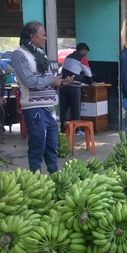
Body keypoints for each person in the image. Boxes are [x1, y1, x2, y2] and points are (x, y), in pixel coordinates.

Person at [11, 21, 74, 174]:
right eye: (43, 35)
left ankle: (54, 176)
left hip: (49, 107)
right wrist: (52, 80)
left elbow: (46, 79)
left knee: (52, 145)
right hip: (34, 109)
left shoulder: (40, 54)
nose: (45, 38)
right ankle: (35, 178)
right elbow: (29, 81)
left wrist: (61, 82)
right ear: (32, 36)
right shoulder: (19, 54)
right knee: (37, 146)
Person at [59, 42, 93, 134]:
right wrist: (91, 83)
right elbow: (88, 73)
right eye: (86, 52)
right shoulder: (82, 58)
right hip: (74, 86)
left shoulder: (67, 57)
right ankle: (76, 130)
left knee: (62, 109)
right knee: (75, 109)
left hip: (63, 85)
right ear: (83, 50)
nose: (86, 54)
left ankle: (61, 129)